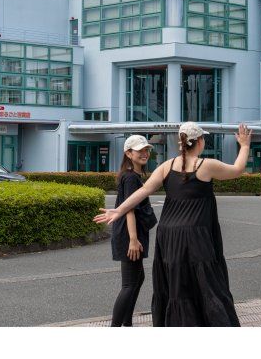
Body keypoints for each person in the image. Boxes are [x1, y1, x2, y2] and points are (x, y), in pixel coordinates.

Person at [94, 121, 252, 327]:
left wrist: (119, 209)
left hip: (168, 236)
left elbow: (143, 191)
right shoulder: (206, 165)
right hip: (196, 234)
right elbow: (237, 169)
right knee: (207, 283)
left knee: (176, 285)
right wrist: (245, 145)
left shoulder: (166, 166)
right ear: (200, 142)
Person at [109, 134, 157, 327]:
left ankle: (127, 323)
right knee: (129, 284)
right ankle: (116, 327)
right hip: (129, 234)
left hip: (131, 232)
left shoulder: (134, 175)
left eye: (146, 150)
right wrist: (133, 239)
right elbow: (129, 208)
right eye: (139, 150)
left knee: (137, 279)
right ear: (128, 153)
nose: (144, 153)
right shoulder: (130, 177)